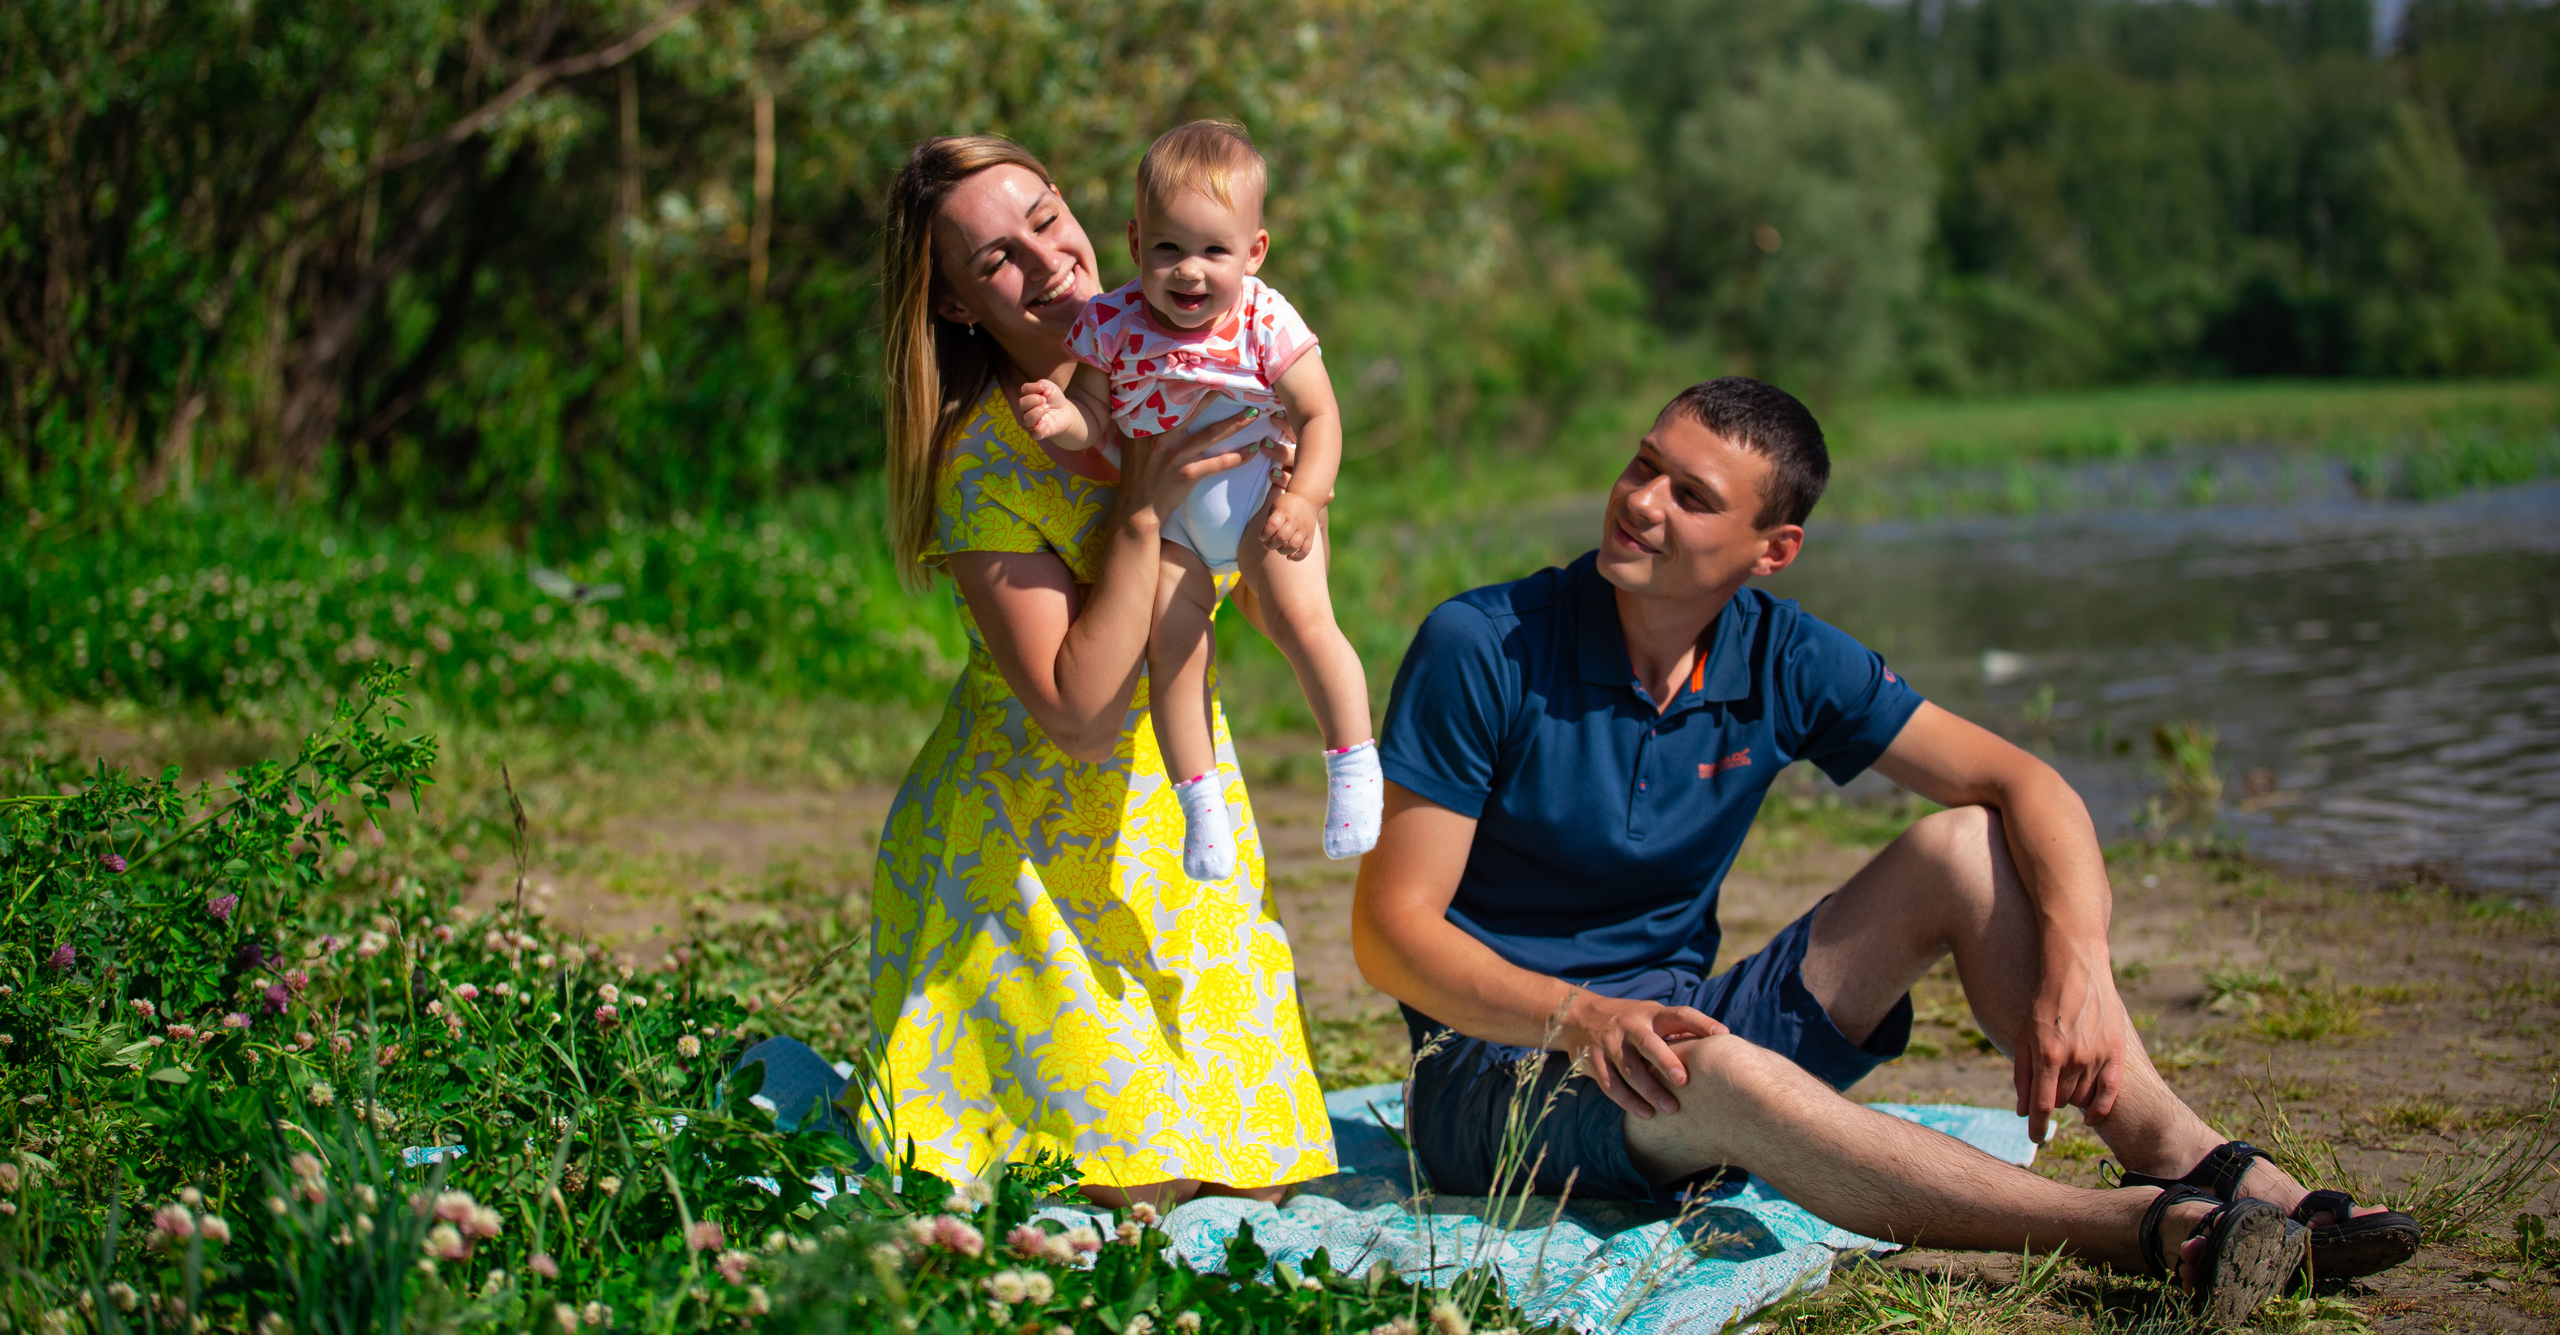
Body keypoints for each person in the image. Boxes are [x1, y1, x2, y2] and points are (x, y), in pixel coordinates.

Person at [1351, 377, 2420, 1322]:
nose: (1638, 502)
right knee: (1723, 1076)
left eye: (1690, 496)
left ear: (1772, 550)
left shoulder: (1780, 654)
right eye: (1643, 466)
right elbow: (1389, 936)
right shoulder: (1481, 647)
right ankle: (2140, 1230)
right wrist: (1580, 1018)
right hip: (1498, 1073)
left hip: (1685, 1029)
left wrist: (2083, 961)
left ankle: (2194, 1160)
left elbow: (2024, 782)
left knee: (1966, 847)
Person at [865, 133, 1336, 1206]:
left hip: (1174, 814)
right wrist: (1141, 506)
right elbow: (1077, 710)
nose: (1048, 263)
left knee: (1249, 1183)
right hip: (1021, 852)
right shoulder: (980, 465)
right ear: (953, 308)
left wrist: (1288, 515)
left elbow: (1257, 601)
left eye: (1045, 219)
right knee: (1119, 1190)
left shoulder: (1190, 352)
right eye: (995, 263)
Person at [1018, 121, 1381, 881]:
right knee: (1175, 654)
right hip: (1174, 525)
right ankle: (1201, 804)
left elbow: (1319, 414)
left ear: (1254, 252)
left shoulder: (1262, 318)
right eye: (1168, 248)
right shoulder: (1111, 323)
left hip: (1260, 497)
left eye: (1215, 250)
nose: (1189, 271)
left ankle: (1352, 763)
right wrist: (1061, 418)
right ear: (1134, 241)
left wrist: (1307, 498)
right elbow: (1094, 412)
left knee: (1306, 623)